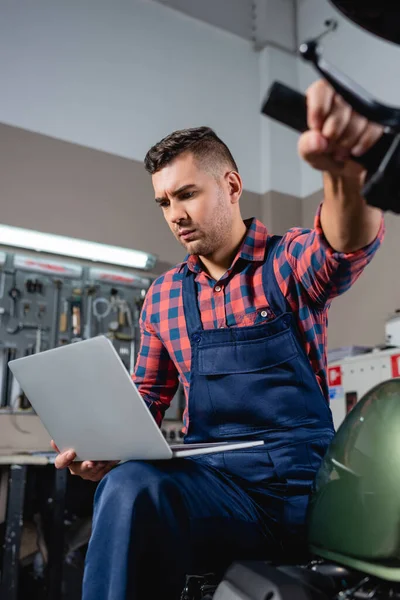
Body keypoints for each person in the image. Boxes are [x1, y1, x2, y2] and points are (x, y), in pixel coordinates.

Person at [52, 79, 385, 600]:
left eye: (187, 193)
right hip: (214, 492)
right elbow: (145, 401)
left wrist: (344, 176)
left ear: (231, 185)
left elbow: (341, 249)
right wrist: (102, 445)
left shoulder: (285, 263)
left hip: (299, 496)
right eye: (164, 201)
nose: (175, 214)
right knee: (129, 483)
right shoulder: (163, 297)